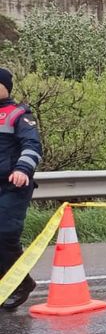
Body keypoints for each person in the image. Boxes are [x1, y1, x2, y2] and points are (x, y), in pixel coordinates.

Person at [0, 67, 42, 310]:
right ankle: (7, 284)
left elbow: (33, 146)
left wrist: (22, 170)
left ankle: (22, 283)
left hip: (14, 186)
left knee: (5, 234)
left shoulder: (19, 115)